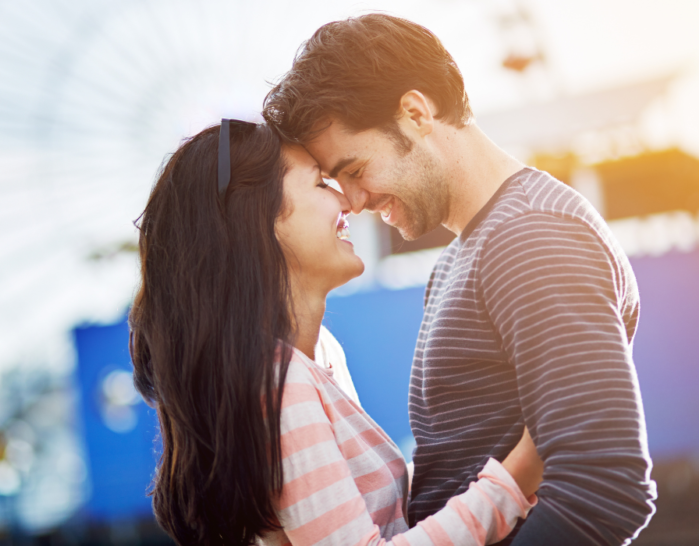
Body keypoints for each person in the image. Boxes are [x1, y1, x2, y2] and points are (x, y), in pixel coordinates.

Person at [263, 13, 657, 546]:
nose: (352, 203)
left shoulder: (532, 237)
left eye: (355, 171)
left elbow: (605, 487)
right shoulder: (467, 253)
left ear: (415, 113)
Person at [129, 120, 543, 546]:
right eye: (320, 184)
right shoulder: (276, 384)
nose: (347, 199)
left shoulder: (318, 356)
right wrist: (521, 470)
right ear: (260, 220)